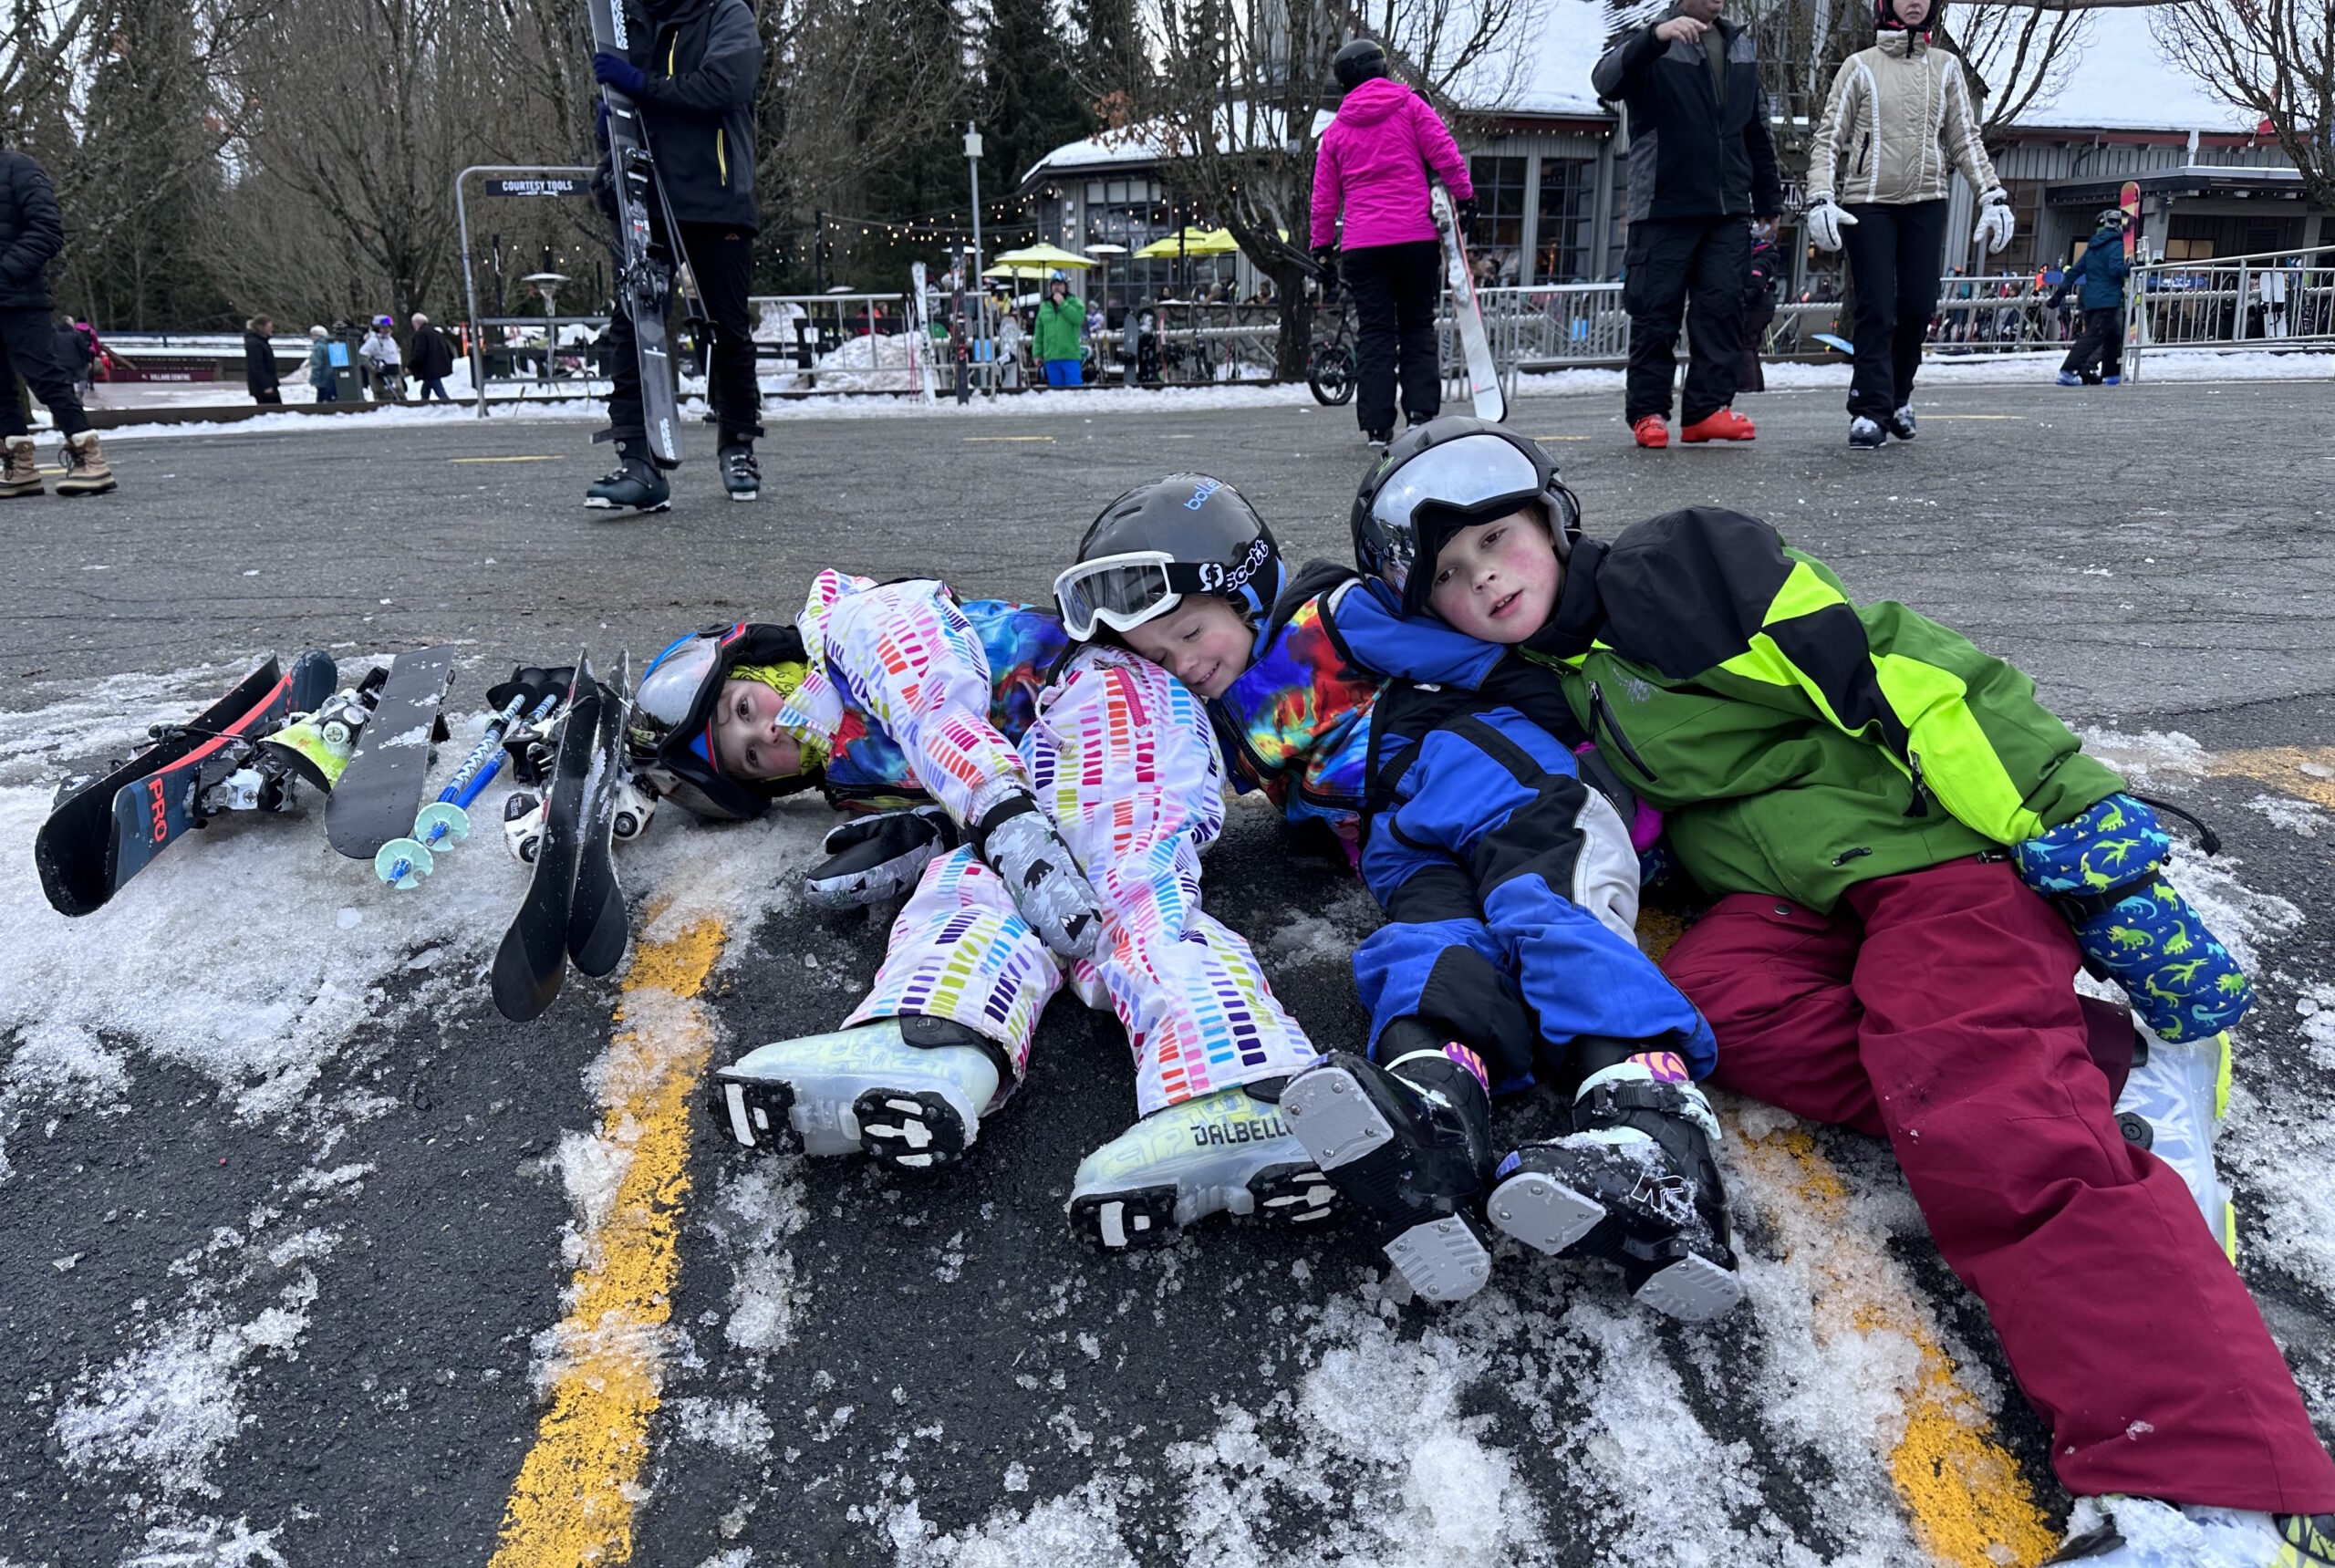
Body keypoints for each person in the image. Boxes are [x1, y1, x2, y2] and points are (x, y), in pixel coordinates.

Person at [1341, 420, 2335, 1568]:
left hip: (1924, 866)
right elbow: (1338, 646)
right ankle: (2101, 1066)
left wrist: (2092, 856)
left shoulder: (1679, 576)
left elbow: (1917, 681)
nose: (1485, 581)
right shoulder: (1545, 682)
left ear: (1554, 523)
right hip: (1787, 908)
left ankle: (2212, 1492)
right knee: (1719, 1011)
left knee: (1975, 1106)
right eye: (1453, 578)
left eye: (1498, 542)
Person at [1054, 467, 1742, 1318]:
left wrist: (1605, 762)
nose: (1185, 664)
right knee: (1423, 944)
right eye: (1159, 658)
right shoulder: (1216, 716)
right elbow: (1140, 773)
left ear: (1246, 586)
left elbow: (1491, 656)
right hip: (1397, 842)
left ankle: (1656, 1136)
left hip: (1493, 774)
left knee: (1547, 911)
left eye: (1191, 633)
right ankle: (1435, 1114)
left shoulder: (1337, 622)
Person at [637, 574, 1337, 1250]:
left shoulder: (849, 625)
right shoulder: (848, 772)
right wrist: (925, 831)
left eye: (744, 707)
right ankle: (934, 1041)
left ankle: (1250, 1084)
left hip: (1105, 700)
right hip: (1038, 775)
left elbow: (934, 704)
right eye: (754, 758)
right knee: (969, 886)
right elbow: (954, 803)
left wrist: (999, 813)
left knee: (1128, 890)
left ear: (762, 659)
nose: (768, 736)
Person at [1801, 0, 2015, 447]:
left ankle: (1899, 396)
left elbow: (1964, 137)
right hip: (1869, 202)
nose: (1914, 1)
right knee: (1876, 307)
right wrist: (1820, 195)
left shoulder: (1947, 67)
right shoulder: (1859, 67)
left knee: (1918, 307)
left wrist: (1991, 195)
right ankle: (1869, 409)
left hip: (1926, 201)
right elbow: (1828, 138)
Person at [586, 0, 765, 510]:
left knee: (727, 327)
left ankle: (737, 444)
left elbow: (726, 85)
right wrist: (613, 121)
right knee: (632, 325)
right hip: (647, 197)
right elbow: (626, 103)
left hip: (717, 198)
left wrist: (643, 88)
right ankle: (638, 460)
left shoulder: (727, 14)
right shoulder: (635, 23)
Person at [1592, 0, 1784, 449]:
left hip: (1728, 206)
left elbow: (1756, 128)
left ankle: (1706, 410)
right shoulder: (1652, 38)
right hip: (1663, 203)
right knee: (1655, 313)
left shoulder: (1740, 45)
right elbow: (1605, 80)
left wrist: (1768, 197)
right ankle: (1649, 412)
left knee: (1721, 309)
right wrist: (1655, 38)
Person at [1309, 37, 1475, 449]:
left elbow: (1324, 198)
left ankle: (1377, 426)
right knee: (1417, 324)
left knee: (1376, 332)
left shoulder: (1335, 134)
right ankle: (1420, 414)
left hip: (1363, 244)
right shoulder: (1412, 108)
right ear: (1382, 69)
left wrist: (1322, 247)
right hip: (1414, 236)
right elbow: (1445, 154)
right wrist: (1466, 197)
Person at [0, 142, 113, 498]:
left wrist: (5, 273)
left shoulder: (19, 168)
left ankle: (88, 457)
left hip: (19, 297)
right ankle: (19, 466)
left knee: (45, 377)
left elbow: (48, 229)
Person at [2057, 210, 2132, 385]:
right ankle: (2067, 371)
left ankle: (2112, 374)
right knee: (2092, 338)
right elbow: (2115, 269)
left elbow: (2075, 270)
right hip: (2107, 300)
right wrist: (2129, 268)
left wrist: (2060, 292)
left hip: (2089, 300)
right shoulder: (2115, 245)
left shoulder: (2093, 246)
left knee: (2113, 336)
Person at [1738, 220, 1780, 391]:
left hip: (1756, 307)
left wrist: (1742, 297)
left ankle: (1749, 386)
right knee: (1751, 346)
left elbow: (1755, 283)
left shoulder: (1761, 256)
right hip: (1762, 305)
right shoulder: (1760, 254)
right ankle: (1755, 386)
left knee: (1746, 345)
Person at [1033, 275, 1085, 387]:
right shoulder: (1044, 306)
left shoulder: (1075, 302)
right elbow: (1039, 333)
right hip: (1051, 358)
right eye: (1054, 284)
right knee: (1056, 395)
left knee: (1074, 392)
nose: (1057, 287)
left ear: (1066, 286)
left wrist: (1063, 304)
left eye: (1060, 284)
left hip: (1070, 357)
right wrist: (1037, 354)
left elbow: (1078, 318)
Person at [407, 312, 456, 401]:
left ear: (417, 323)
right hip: (438, 366)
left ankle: (447, 403)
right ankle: (424, 402)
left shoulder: (420, 334)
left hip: (429, 367)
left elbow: (419, 352)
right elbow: (449, 351)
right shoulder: (437, 333)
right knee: (427, 386)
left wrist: (411, 366)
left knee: (437, 388)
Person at [358, 316, 404, 402]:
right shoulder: (373, 341)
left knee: (401, 396)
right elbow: (362, 355)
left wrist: (400, 373)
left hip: (394, 373)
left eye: (388, 327)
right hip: (382, 376)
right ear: (377, 328)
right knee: (385, 398)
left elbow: (395, 357)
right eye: (383, 328)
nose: (387, 330)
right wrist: (374, 369)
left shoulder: (391, 340)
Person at [244, 317, 282, 404]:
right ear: (261, 327)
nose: (272, 329)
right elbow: (257, 366)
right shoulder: (254, 343)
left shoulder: (262, 341)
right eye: (269, 326)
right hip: (263, 386)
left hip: (269, 382)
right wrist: (266, 385)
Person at [306, 325, 337, 403]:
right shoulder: (330, 344)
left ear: (318, 335)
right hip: (332, 377)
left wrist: (313, 379)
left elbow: (316, 365)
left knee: (320, 399)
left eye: (313, 335)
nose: (311, 337)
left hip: (322, 378)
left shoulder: (318, 347)